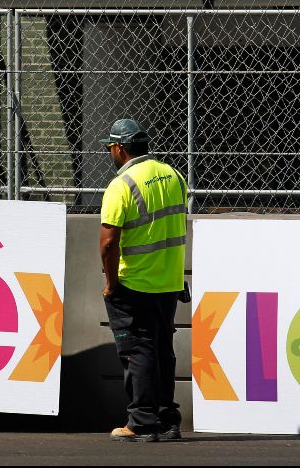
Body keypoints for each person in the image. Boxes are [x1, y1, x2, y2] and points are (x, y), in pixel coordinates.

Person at [99, 119, 188, 442]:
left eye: (110, 147)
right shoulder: (174, 176)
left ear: (119, 148)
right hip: (169, 280)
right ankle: (168, 420)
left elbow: (109, 243)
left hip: (134, 281)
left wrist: (111, 284)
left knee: (138, 351)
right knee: (163, 350)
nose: (110, 152)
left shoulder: (121, 186)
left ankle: (141, 422)